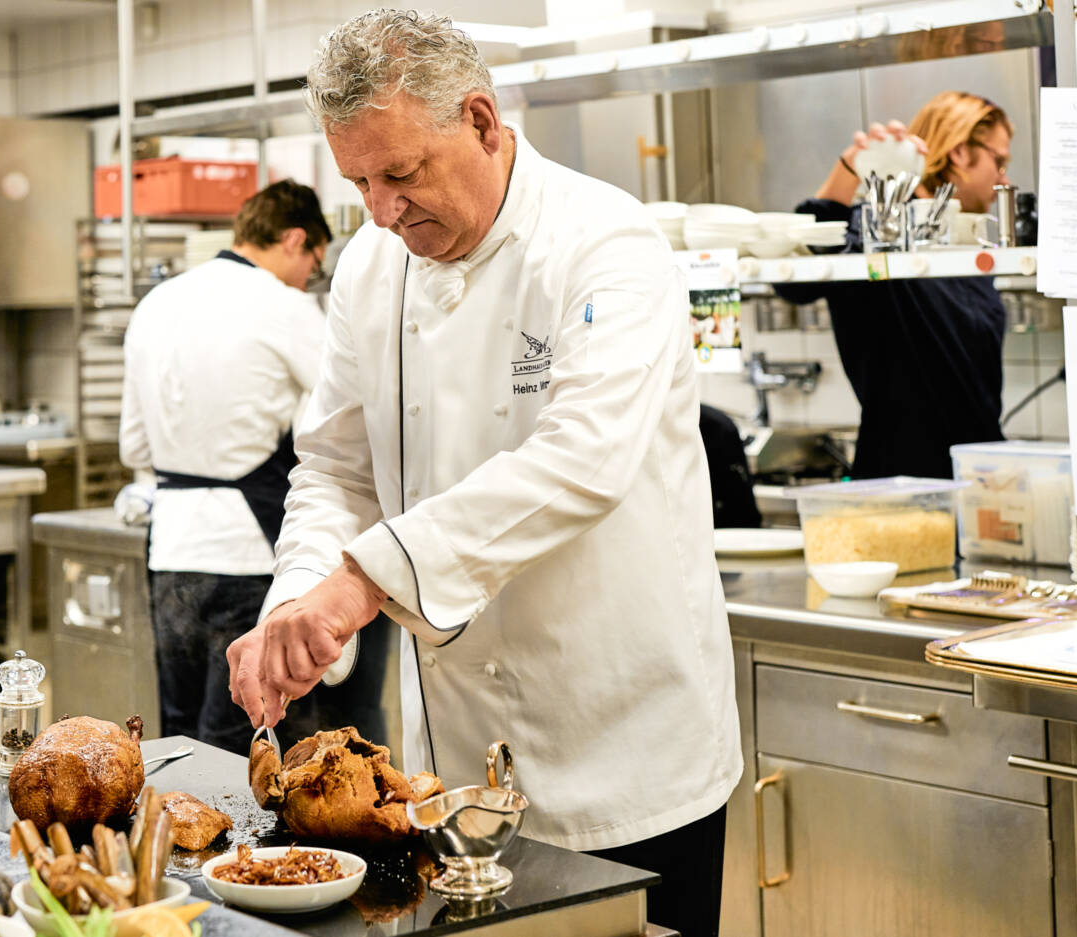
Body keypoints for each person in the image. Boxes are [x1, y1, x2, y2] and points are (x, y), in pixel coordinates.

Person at [224, 12, 741, 936]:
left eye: (401, 173)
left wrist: (364, 580)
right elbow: (336, 465)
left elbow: (584, 458)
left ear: (480, 119)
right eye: (359, 182)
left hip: (626, 756)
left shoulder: (605, 243)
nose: (381, 211)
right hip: (452, 774)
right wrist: (299, 599)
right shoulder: (370, 270)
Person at [119, 179, 337, 756]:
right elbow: (345, 411)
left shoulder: (155, 304)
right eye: (314, 263)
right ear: (295, 240)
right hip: (251, 552)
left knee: (179, 739)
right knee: (249, 742)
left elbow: (134, 447)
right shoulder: (285, 306)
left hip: (171, 552)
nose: (308, 278)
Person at [777, 92, 1013, 479]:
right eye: (999, 162)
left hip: (979, 476)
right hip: (899, 482)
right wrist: (849, 169)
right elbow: (794, 282)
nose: (1004, 178)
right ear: (959, 152)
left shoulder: (966, 242)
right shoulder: (880, 232)